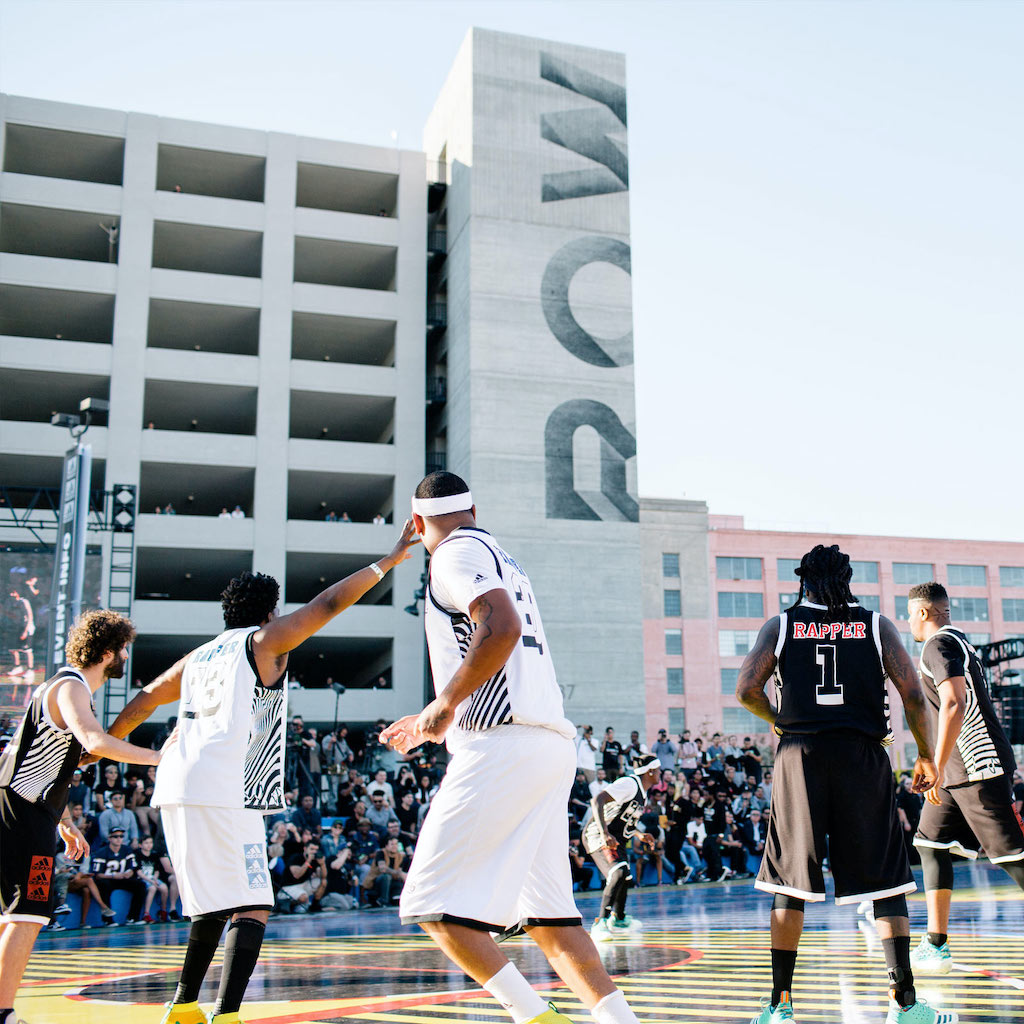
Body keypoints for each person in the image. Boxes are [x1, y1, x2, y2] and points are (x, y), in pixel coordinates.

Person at [104, 522, 419, 1024]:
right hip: (225, 785)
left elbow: (143, 700)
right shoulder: (263, 641)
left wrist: (101, 748)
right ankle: (226, 1013)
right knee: (252, 904)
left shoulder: (199, 656)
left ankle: (183, 1007)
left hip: (177, 784)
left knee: (211, 904)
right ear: (269, 611)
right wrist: (389, 560)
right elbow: (328, 606)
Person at [382, 472, 645, 1024]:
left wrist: (446, 702)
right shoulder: (503, 555)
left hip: (503, 742)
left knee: (432, 903)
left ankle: (534, 1017)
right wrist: (438, 711)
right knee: (549, 916)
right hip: (548, 744)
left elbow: (499, 629)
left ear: (416, 523)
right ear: (473, 508)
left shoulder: (452, 554)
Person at [736, 544, 955, 1024]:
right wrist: (922, 753)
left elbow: (746, 689)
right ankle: (905, 1006)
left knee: (790, 883)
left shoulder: (782, 624)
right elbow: (913, 694)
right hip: (862, 756)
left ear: (803, 580)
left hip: (800, 757)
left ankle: (780, 1006)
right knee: (885, 881)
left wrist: (780, 720)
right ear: (848, 578)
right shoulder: (876, 625)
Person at [0, 610, 161, 1020]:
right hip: (22, 810)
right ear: (108, 653)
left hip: (27, 809)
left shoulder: (62, 687)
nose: (126, 655)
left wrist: (65, 822)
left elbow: (54, 765)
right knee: (28, 912)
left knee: (16, 915)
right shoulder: (70, 687)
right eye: (123, 648)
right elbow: (95, 741)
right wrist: (161, 757)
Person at [905, 581, 1024, 974]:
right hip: (958, 771)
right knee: (930, 845)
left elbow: (954, 702)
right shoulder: (961, 641)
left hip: (976, 765)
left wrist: (933, 765)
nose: (908, 622)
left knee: (1013, 857)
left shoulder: (937, 645)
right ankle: (936, 944)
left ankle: (936, 944)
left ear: (923, 612)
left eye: (909, 614)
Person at [583, 753, 662, 941]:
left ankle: (618, 919)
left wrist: (639, 834)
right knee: (617, 872)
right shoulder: (629, 783)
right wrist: (604, 833)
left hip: (616, 837)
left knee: (625, 876)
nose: (660, 773)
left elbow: (624, 819)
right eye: (658, 770)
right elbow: (597, 800)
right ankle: (599, 923)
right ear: (650, 772)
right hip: (598, 834)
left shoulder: (642, 791)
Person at [92, 826, 147, 923]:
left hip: (122, 879)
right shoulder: (101, 852)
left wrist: (129, 873)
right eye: (115, 836)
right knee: (103, 885)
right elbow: (97, 875)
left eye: (121, 836)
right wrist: (113, 876)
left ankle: (132, 917)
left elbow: (132, 867)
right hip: (108, 879)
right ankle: (108, 920)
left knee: (140, 885)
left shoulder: (127, 850)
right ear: (109, 838)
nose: (119, 839)